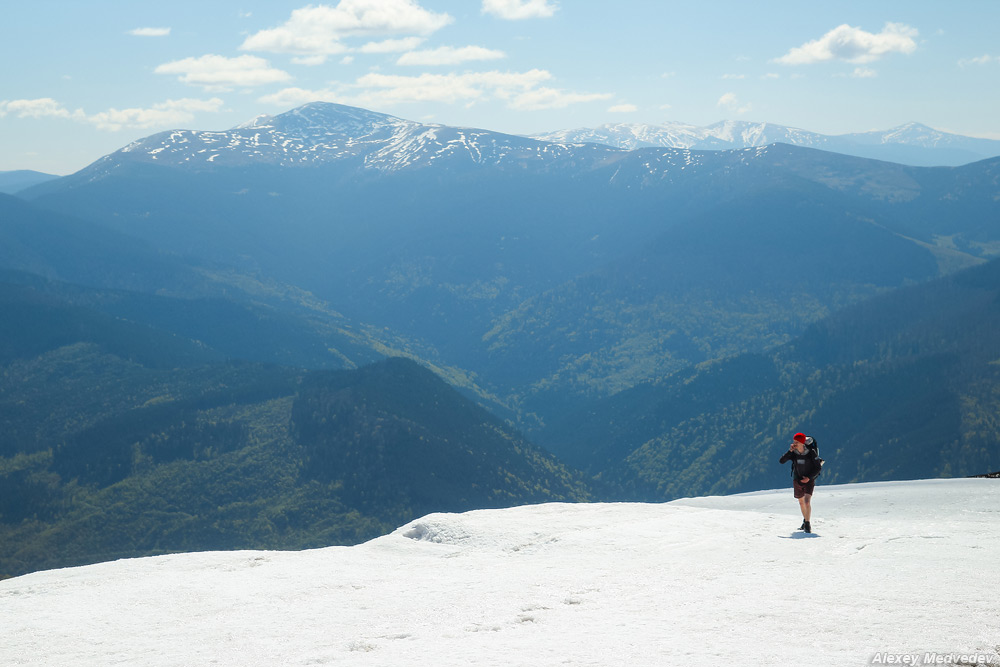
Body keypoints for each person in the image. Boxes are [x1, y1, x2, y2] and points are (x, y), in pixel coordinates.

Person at [778, 432, 822, 533]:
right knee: (801, 502)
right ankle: (805, 519)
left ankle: (807, 524)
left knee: (806, 501)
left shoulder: (811, 452)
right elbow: (781, 461)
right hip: (797, 479)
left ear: (802, 443)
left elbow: (818, 467)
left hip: (809, 480)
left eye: (797, 442)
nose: (794, 443)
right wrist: (789, 451)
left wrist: (809, 478)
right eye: (794, 441)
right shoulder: (793, 453)